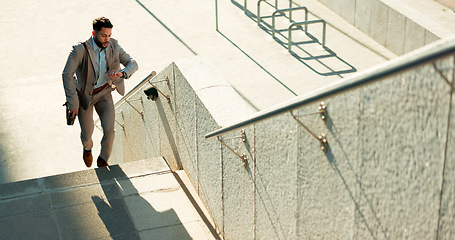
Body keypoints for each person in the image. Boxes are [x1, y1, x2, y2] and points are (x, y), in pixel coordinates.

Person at [62, 17, 138, 168]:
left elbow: (133, 64)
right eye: (104, 35)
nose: (107, 39)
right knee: (87, 133)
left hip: (104, 92)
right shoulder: (79, 50)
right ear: (94, 33)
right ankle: (87, 148)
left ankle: (103, 160)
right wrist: (72, 103)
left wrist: (121, 73)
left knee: (110, 130)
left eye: (109, 35)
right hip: (85, 97)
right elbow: (67, 74)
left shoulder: (114, 45)